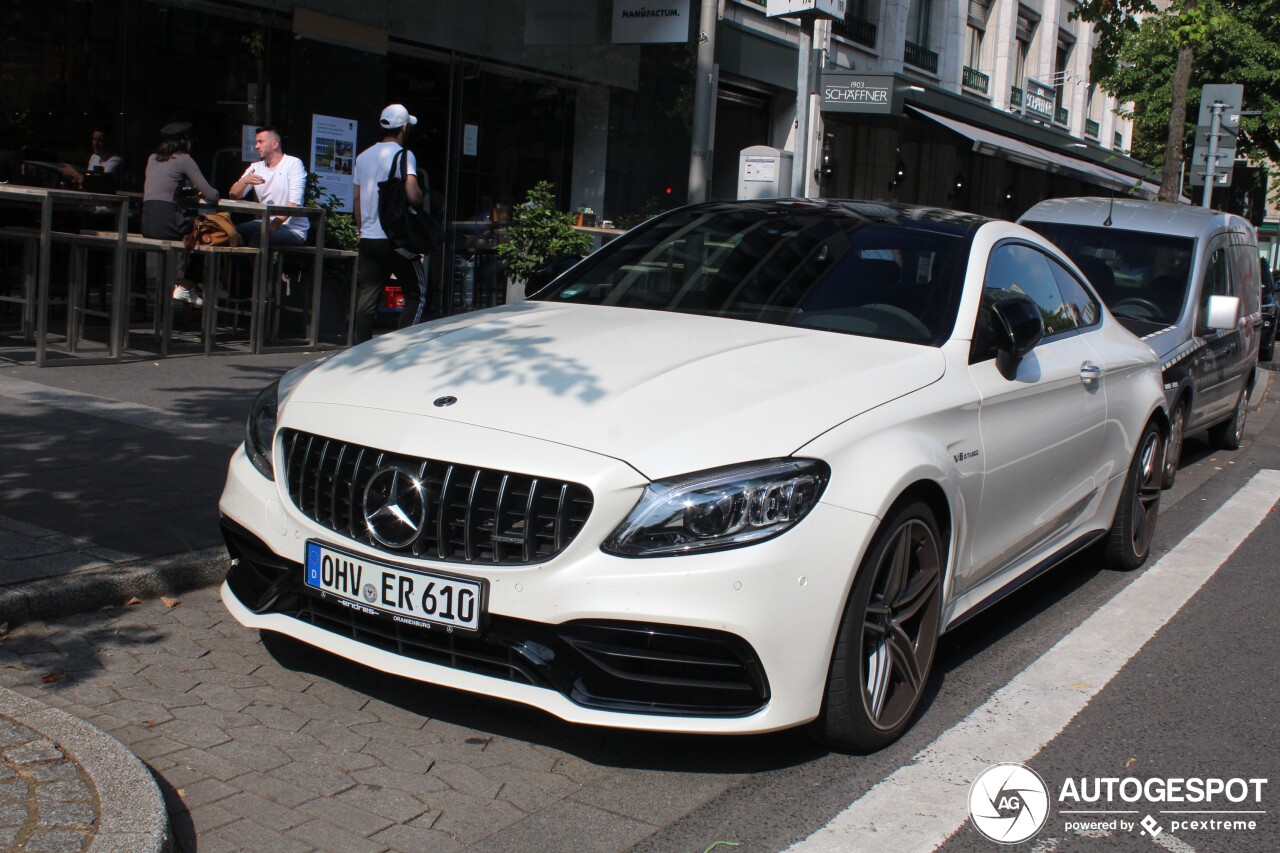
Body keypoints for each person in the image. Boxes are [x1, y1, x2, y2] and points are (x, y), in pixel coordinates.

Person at [351, 104, 428, 343]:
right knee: (416, 292)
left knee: (367, 298)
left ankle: (361, 348)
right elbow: (413, 195)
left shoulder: (362, 157)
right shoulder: (404, 155)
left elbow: (356, 198)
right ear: (404, 127)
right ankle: (401, 345)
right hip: (395, 239)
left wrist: (362, 228)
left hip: (369, 238)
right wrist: (422, 196)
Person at [141, 121, 219, 303]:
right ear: (185, 141)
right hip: (168, 222)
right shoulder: (184, 159)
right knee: (208, 230)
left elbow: (163, 188)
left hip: (147, 222)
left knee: (194, 229)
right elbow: (211, 194)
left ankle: (195, 285)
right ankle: (189, 284)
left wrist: (187, 192)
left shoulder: (152, 158)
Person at [227, 127, 308, 247]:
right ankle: (242, 266)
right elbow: (233, 195)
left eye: (261, 142)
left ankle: (260, 266)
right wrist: (244, 181)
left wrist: (272, 225)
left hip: (293, 229)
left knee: (257, 239)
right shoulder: (256, 167)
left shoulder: (293, 164)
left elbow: (294, 203)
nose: (256, 146)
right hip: (266, 222)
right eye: (256, 142)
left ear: (275, 144)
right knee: (231, 233)